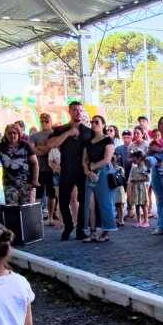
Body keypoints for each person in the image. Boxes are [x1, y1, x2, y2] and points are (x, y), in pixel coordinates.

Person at [45, 102, 93, 241]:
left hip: (83, 171)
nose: (78, 112)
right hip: (66, 170)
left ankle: (80, 229)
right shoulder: (61, 129)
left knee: (83, 201)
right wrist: (68, 133)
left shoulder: (88, 131)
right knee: (64, 200)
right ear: (69, 111)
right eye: (75, 110)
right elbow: (51, 144)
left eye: (80, 110)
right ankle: (68, 225)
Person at [0, 124, 39, 206]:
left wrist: (35, 179)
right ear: (6, 134)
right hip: (9, 185)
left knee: (27, 209)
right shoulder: (1, 147)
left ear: (18, 134)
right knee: (12, 209)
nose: (12, 135)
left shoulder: (26, 145)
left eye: (14, 133)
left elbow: (35, 163)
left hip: (27, 184)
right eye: (9, 133)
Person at [82, 115, 116, 243]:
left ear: (103, 124)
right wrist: (88, 171)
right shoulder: (88, 142)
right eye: (92, 122)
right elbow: (84, 160)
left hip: (103, 173)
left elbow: (107, 160)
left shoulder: (108, 140)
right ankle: (92, 232)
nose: (94, 124)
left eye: (97, 122)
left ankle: (106, 232)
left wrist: (93, 167)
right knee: (90, 205)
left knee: (104, 203)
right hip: (90, 174)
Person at [30, 113, 58, 226]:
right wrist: (45, 148)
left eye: (46, 121)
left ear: (51, 121)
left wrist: (40, 148)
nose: (44, 123)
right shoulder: (35, 136)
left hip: (52, 169)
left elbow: (52, 147)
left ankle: (50, 217)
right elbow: (31, 149)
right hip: (39, 169)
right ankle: (37, 218)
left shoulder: (55, 134)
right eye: (42, 121)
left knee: (52, 194)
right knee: (38, 195)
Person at [127, 150, 150, 228]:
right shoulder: (134, 168)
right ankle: (138, 220)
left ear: (139, 158)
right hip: (135, 188)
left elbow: (147, 178)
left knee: (143, 205)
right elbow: (132, 178)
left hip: (141, 188)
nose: (133, 161)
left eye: (135, 159)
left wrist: (136, 180)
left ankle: (146, 221)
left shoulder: (144, 168)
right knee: (136, 205)